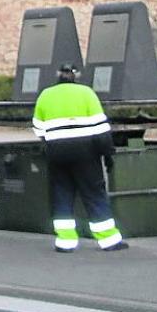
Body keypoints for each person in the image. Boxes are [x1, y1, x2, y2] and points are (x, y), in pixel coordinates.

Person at [32, 62, 128, 253]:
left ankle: (65, 241)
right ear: (76, 76)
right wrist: (107, 154)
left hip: (57, 152)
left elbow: (38, 128)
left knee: (61, 194)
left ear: (58, 75)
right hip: (86, 153)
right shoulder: (87, 93)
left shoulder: (45, 95)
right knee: (94, 194)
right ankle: (108, 240)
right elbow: (101, 131)